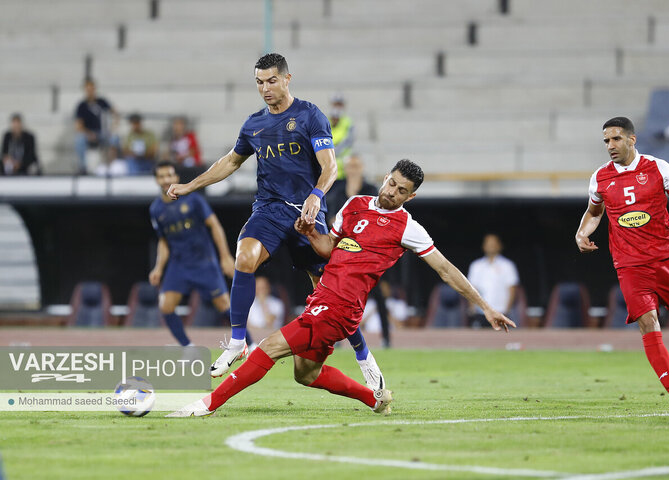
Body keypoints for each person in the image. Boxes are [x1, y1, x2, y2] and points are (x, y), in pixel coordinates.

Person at [167, 159, 516, 417]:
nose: (392, 192)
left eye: (402, 191)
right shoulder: (355, 205)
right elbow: (329, 249)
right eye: (392, 183)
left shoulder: (408, 228)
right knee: (306, 374)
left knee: (270, 347)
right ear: (386, 178)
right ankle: (375, 399)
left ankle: (206, 404)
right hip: (325, 299)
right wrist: (308, 234)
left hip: (340, 306)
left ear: (412, 197)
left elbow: (445, 269)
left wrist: (485, 306)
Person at [166, 53, 383, 389]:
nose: (264, 88)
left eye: (270, 81)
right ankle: (238, 340)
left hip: (307, 213)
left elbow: (330, 168)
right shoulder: (254, 124)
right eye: (258, 82)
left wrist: (316, 196)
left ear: (286, 79)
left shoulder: (311, 116)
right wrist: (191, 185)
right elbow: (229, 162)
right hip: (268, 209)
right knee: (245, 257)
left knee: (329, 291)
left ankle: (363, 355)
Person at [576, 117, 669, 410]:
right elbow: (594, 212)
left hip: (666, 257)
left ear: (632, 140)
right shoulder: (600, 177)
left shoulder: (658, 167)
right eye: (606, 141)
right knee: (648, 322)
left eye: (616, 139)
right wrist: (581, 232)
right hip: (629, 263)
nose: (610, 146)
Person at [149, 161, 254, 348]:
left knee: (224, 306)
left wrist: (225, 256)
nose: (166, 180)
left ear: (176, 178)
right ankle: (187, 348)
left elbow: (215, 226)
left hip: (204, 261)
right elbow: (163, 241)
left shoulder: (193, 200)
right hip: (178, 264)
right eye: (161, 176)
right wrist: (158, 267)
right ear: (157, 180)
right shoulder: (156, 209)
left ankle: (251, 345)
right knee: (166, 306)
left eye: (169, 175)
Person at [326, 154, 392, 346]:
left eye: (356, 166)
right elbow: (332, 219)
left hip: (368, 253)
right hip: (343, 252)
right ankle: (335, 337)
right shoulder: (337, 190)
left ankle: (386, 338)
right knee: (338, 296)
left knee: (378, 295)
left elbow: (377, 220)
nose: (353, 169)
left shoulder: (371, 190)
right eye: (350, 166)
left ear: (362, 167)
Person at [466, 233, 519, 328]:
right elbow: (470, 288)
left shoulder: (508, 266)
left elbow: (512, 289)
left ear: (500, 246)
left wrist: (507, 310)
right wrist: (472, 309)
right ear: (483, 246)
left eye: (493, 243)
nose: (491, 246)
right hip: (480, 313)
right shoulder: (476, 266)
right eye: (488, 243)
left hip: (501, 312)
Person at [74, 78, 117, 174]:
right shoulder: (82, 106)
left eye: (92, 88)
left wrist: (113, 127)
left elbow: (115, 114)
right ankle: (83, 167)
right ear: (85, 90)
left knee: (115, 139)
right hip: (89, 133)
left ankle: (113, 166)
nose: (90, 91)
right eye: (88, 89)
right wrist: (89, 133)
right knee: (79, 140)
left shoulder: (102, 102)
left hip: (103, 132)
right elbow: (78, 125)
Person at [329, 93, 355, 180]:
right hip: (328, 167)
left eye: (339, 104)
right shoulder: (325, 121)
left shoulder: (348, 122)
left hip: (343, 168)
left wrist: (332, 153)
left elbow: (348, 142)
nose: (337, 107)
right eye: (335, 104)